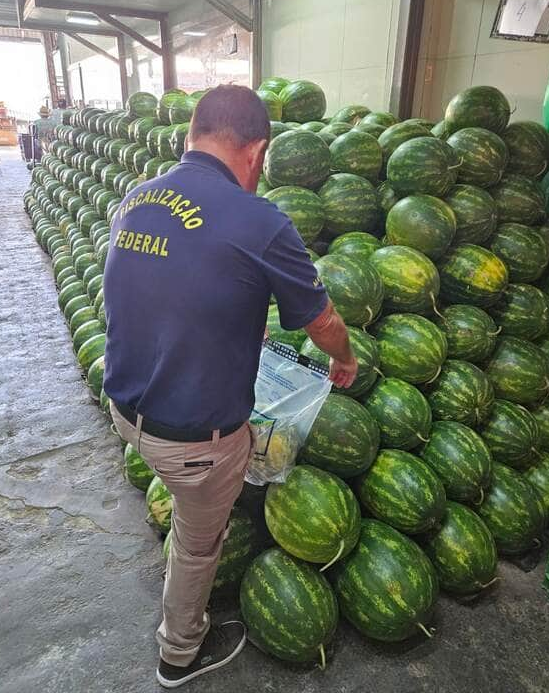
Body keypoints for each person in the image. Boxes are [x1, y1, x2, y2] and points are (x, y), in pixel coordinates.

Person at [103, 84, 357, 689]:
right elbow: (321, 321)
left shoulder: (136, 200)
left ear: (191, 137)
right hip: (194, 441)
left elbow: (160, 292)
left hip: (124, 408)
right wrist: (344, 359)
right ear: (257, 151)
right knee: (198, 544)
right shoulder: (259, 219)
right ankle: (177, 654)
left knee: (194, 489)